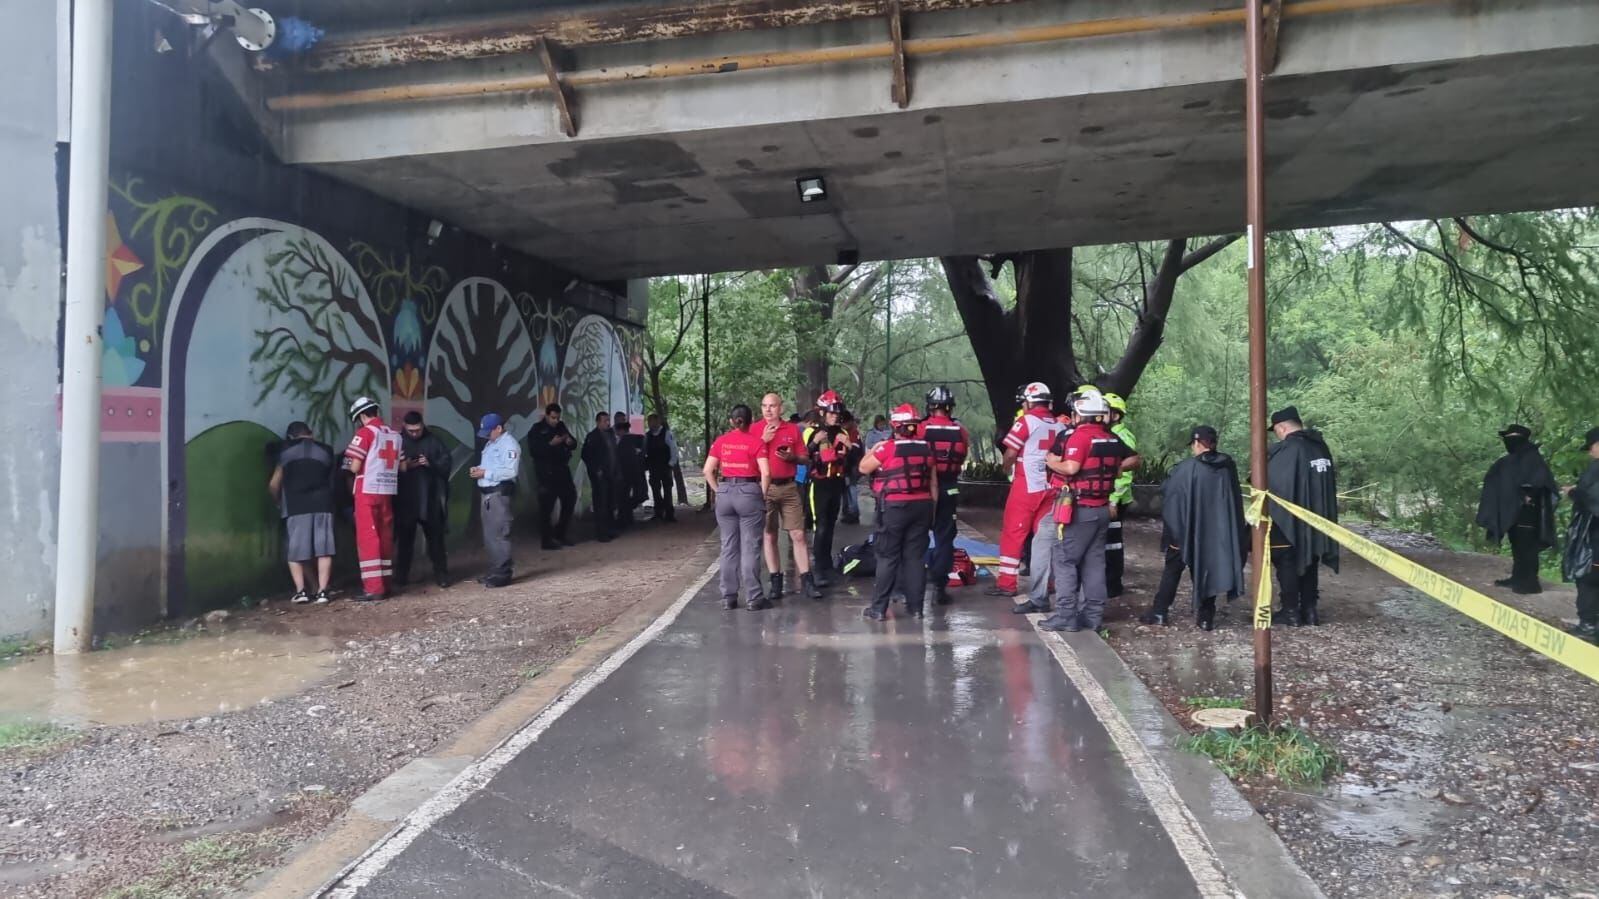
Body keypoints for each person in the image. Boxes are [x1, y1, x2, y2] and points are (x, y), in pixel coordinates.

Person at [1039, 392, 1139, 632]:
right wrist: (1113, 468)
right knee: (1094, 563)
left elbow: (1071, 467)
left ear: (1079, 414)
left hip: (1079, 510)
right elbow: (1135, 459)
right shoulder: (1111, 437)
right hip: (1102, 509)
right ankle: (1093, 616)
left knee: (1065, 560)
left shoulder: (1078, 437)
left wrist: (1051, 461)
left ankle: (1066, 615)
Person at [1139, 426, 1248, 631]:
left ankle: (1160, 611)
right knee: (1207, 568)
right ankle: (1206, 617)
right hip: (1216, 534)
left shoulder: (1186, 468)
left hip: (1184, 532)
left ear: (1197, 444)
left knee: (1173, 569)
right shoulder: (1228, 467)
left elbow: (1170, 495)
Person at [860, 404, 938, 621]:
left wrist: (876, 448)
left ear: (895, 426)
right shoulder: (927, 450)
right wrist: (932, 513)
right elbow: (934, 486)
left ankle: (878, 609)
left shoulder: (889, 448)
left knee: (887, 557)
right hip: (922, 507)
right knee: (914, 558)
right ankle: (916, 609)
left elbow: (863, 468)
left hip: (894, 508)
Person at [989, 382, 1067, 597]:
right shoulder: (1060, 425)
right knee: (1045, 536)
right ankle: (1048, 583)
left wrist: (1006, 469)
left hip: (1027, 485)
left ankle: (1006, 584)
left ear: (1029, 401)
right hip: (1051, 486)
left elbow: (1011, 453)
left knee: (1014, 532)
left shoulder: (1025, 421)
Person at [1266, 406, 1340, 626]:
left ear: (1281, 427)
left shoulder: (1288, 449)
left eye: (1276, 431)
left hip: (1290, 519)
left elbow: (1270, 480)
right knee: (1310, 559)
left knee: (1286, 560)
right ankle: (1309, 610)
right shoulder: (1320, 446)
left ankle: (1290, 611)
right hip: (1318, 517)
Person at [751, 393, 823, 599]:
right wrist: (763, 442)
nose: (768, 410)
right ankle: (775, 580)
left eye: (772, 406)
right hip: (764, 487)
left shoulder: (792, 429)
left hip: (789, 486)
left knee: (798, 534)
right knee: (769, 534)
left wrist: (792, 457)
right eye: (764, 405)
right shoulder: (755, 430)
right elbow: (749, 458)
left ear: (780, 408)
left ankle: (807, 580)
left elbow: (805, 458)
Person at [1477, 423, 1560, 594]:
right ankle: (1518, 577)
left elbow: (1540, 481)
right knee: (1517, 545)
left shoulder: (1532, 458)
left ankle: (1530, 583)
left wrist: (1527, 494)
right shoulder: (1512, 460)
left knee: (1527, 546)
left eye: (1510, 437)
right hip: (1513, 511)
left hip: (1528, 512)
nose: (1507, 441)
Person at [705, 404, 772, 611]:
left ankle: (729, 597)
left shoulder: (721, 442)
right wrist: (760, 493)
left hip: (725, 491)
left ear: (731, 421)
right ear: (751, 421)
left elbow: (708, 470)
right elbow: (766, 473)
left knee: (728, 547)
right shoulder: (757, 442)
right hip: (749, 491)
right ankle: (754, 598)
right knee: (750, 547)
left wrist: (719, 490)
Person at [268, 421, 338, 604]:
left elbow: (274, 485)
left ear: (290, 437)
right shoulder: (326, 450)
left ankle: (301, 592)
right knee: (324, 550)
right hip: (323, 504)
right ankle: (322, 592)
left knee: (296, 552)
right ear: (311, 433)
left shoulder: (285, 452)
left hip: (296, 505)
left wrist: (278, 502)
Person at [343, 397, 401, 601]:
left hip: (367, 490)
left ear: (361, 416)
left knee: (368, 538)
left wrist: (348, 465)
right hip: (387, 491)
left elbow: (354, 467)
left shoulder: (365, 433)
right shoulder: (395, 435)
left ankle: (373, 588)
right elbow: (401, 467)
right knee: (385, 536)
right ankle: (385, 584)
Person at [921, 386, 970, 606]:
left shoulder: (921, 429)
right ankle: (940, 587)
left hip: (922, 489)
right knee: (944, 538)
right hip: (949, 487)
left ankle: (908, 587)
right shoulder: (960, 431)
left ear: (930, 407)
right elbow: (963, 454)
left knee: (915, 537)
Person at [394, 411, 452, 588]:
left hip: (430, 498)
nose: (414, 434)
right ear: (404, 426)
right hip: (405, 499)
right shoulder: (397, 441)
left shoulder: (434, 441)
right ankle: (401, 577)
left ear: (422, 425)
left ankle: (441, 575)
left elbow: (446, 465)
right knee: (405, 542)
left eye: (417, 430)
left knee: (436, 540)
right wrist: (406, 466)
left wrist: (430, 464)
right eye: (411, 430)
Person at [804, 391, 853, 588]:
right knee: (821, 525)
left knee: (831, 524)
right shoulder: (812, 432)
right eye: (831, 413)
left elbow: (851, 457)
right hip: (819, 484)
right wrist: (816, 442)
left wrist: (848, 444)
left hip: (836, 483)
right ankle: (818, 568)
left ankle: (826, 564)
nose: (835, 416)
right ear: (823, 413)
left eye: (837, 413)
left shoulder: (843, 433)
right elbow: (805, 453)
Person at [470, 412, 519, 588]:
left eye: (489, 432)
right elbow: (490, 466)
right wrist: (479, 471)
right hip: (488, 495)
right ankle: (494, 571)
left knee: (499, 534)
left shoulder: (509, 444)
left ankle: (503, 574)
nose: (486, 436)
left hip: (499, 494)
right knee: (490, 536)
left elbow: (511, 471)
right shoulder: (491, 444)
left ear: (499, 428)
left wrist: (486, 473)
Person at [1561, 427, 1599, 643]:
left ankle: (1588, 626)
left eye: (1591, 447)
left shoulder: (1597, 467)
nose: (1590, 453)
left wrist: (1572, 493)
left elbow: (1594, 502)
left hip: (1595, 538)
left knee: (1588, 578)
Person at [528, 403, 578, 550]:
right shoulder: (537, 430)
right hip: (546, 473)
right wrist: (551, 444)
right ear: (547, 415)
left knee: (570, 499)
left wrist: (569, 442)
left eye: (557, 418)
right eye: (553, 418)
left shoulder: (561, 426)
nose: (555, 421)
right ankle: (546, 540)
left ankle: (560, 533)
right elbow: (534, 451)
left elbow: (573, 443)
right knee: (546, 508)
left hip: (562, 471)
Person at [1103, 392, 1137, 597]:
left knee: (1113, 543)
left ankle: (1113, 584)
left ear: (1115, 415)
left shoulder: (1122, 437)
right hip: (1111, 498)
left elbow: (1125, 474)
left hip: (1116, 499)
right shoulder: (1109, 435)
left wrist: (1114, 501)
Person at [581, 411, 618, 543]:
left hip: (611, 473)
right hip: (600, 475)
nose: (607, 423)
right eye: (604, 421)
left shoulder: (611, 435)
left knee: (610, 502)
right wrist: (596, 470)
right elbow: (585, 455)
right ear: (598, 422)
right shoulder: (593, 436)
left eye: (608, 420)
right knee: (600, 503)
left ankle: (610, 529)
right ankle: (601, 533)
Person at [643, 414, 680, 522]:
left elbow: (673, 449)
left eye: (652, 421)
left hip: (665, 466)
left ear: (658, 422)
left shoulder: (667, 434)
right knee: (655, 490)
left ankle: (669, 514)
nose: (650, 424)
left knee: (667, 490)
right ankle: (658, 512)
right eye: (649, 422)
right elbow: (645, 451)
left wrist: (671, 463)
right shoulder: (647, 436)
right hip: (653, 467)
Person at [615, 412, 646, 530]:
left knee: (624, 496)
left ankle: (625, 518)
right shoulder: (630, 439)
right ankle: (625, 518)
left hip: (626, 472)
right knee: (624, 496)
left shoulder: (627, 440)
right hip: (626, 472)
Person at [840, 410, 863, 525]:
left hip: (853, 465)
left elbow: (854, 450)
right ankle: (847, 512)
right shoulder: (847, 431)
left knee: (851, 489)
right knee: (846, 490)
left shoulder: (853, 433)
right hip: (847, 465)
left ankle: (854, 513)